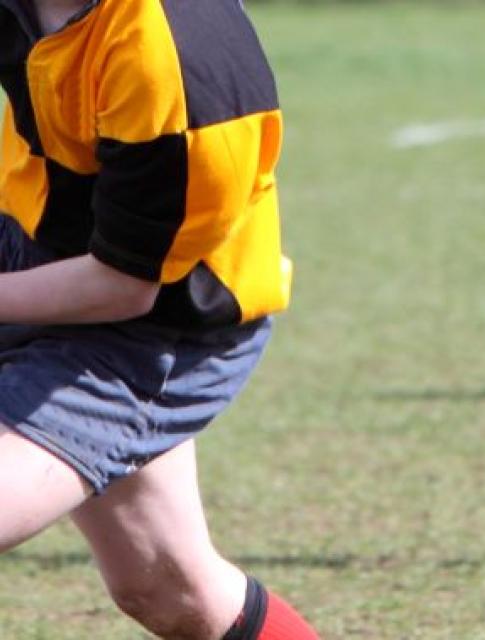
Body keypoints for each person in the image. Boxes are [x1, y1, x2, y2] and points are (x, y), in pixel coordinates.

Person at [0, 1, 319, 638]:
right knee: (170, 590)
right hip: (31, 244)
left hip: (149, 334)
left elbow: (123, 287)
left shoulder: (176, 54)